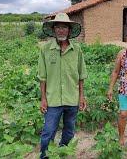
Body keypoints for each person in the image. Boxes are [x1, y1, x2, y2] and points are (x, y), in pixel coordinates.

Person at [37, 13, 87, 159]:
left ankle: (62, 153)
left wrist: (82, 96)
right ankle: (45, 156)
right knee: (48, 132)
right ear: (53, 30)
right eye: (58, 27)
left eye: (64, 27)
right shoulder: (45, 49)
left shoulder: (76, 50)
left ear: (69, 30)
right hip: (53, 100)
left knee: (69, 131)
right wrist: (43, 99)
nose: (61, 30)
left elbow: (81, 75)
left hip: (72, 98)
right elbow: (42, 77)